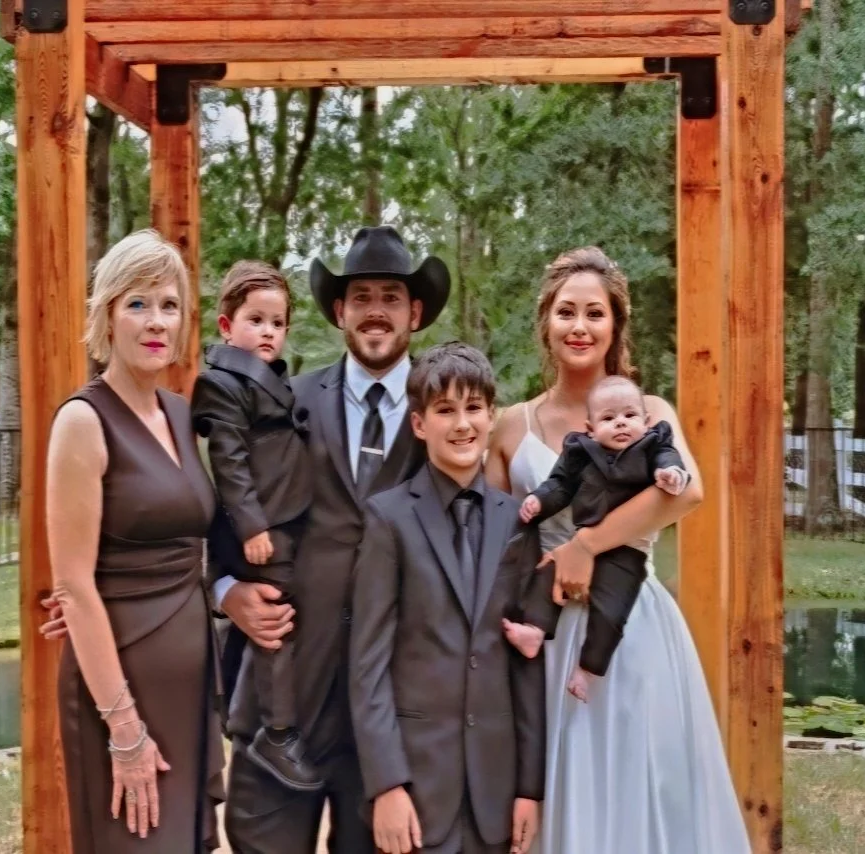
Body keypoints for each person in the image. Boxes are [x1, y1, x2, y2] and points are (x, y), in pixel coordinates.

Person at [485, 247, 751, 854]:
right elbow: (499, 540)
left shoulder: (649, 413)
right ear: (546, 324)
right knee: (553, 789)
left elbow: (686, 493)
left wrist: (586, 544)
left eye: (595, 314)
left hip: (633, 631)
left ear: (615, 327)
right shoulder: (509, 425)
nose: (580, 326)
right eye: (566, 312)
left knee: (639, 784)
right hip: (545, 641)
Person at [215, 226, 451, 854]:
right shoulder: (282, 400)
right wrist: (227, 589)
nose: (377, 310)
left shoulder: (449, 414)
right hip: (283, 696)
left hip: (392, 712)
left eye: (392, 297)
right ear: (340, 311)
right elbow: (218, 504)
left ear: (415, 312)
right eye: (362, 295)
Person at [44, 230, 224, 852]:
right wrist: (125, 731)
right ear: (107, 316)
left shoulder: (179, 413)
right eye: (137, 303)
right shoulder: (82, 422)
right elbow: (74, 583)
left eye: (169, 304)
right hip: (122, 699)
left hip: (190, 691)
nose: (156, 322)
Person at [349, 343, 546, 854]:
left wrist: (530, 786)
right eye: (445, 411)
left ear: (490, 415)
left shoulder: (517, 522)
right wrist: (387, 784)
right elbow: (367, 663)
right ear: (419, 425)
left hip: (496, 790)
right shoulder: (388, 518)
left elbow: (526, 663)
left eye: (474, 408)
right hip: (416, 786)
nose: (462, 424)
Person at [190, 261, 320, 792]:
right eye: (255, 320)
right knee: (276, 622)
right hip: (259, 530)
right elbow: (231, 461)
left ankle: (253, 709)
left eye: (277, 322)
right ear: (226, 326)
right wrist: (251, 526)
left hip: (287, 523)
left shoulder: (275, 381)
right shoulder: (223, 384)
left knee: (282, 621)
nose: (268, 332)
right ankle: (277, 730)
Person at [505, 374, 690, 702]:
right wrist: (538, 500)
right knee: (545, 575)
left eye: (630, 416)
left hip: (626, 549)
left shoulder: (652, 445)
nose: (621, 424)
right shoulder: (580, 452)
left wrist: (671, 474)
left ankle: (589, 670)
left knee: (611, 609)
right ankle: (534, 631)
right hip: (572, 547)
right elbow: (559, 486)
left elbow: (670, 461)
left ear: (646, 422)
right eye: (609, 418)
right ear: (590, 428)